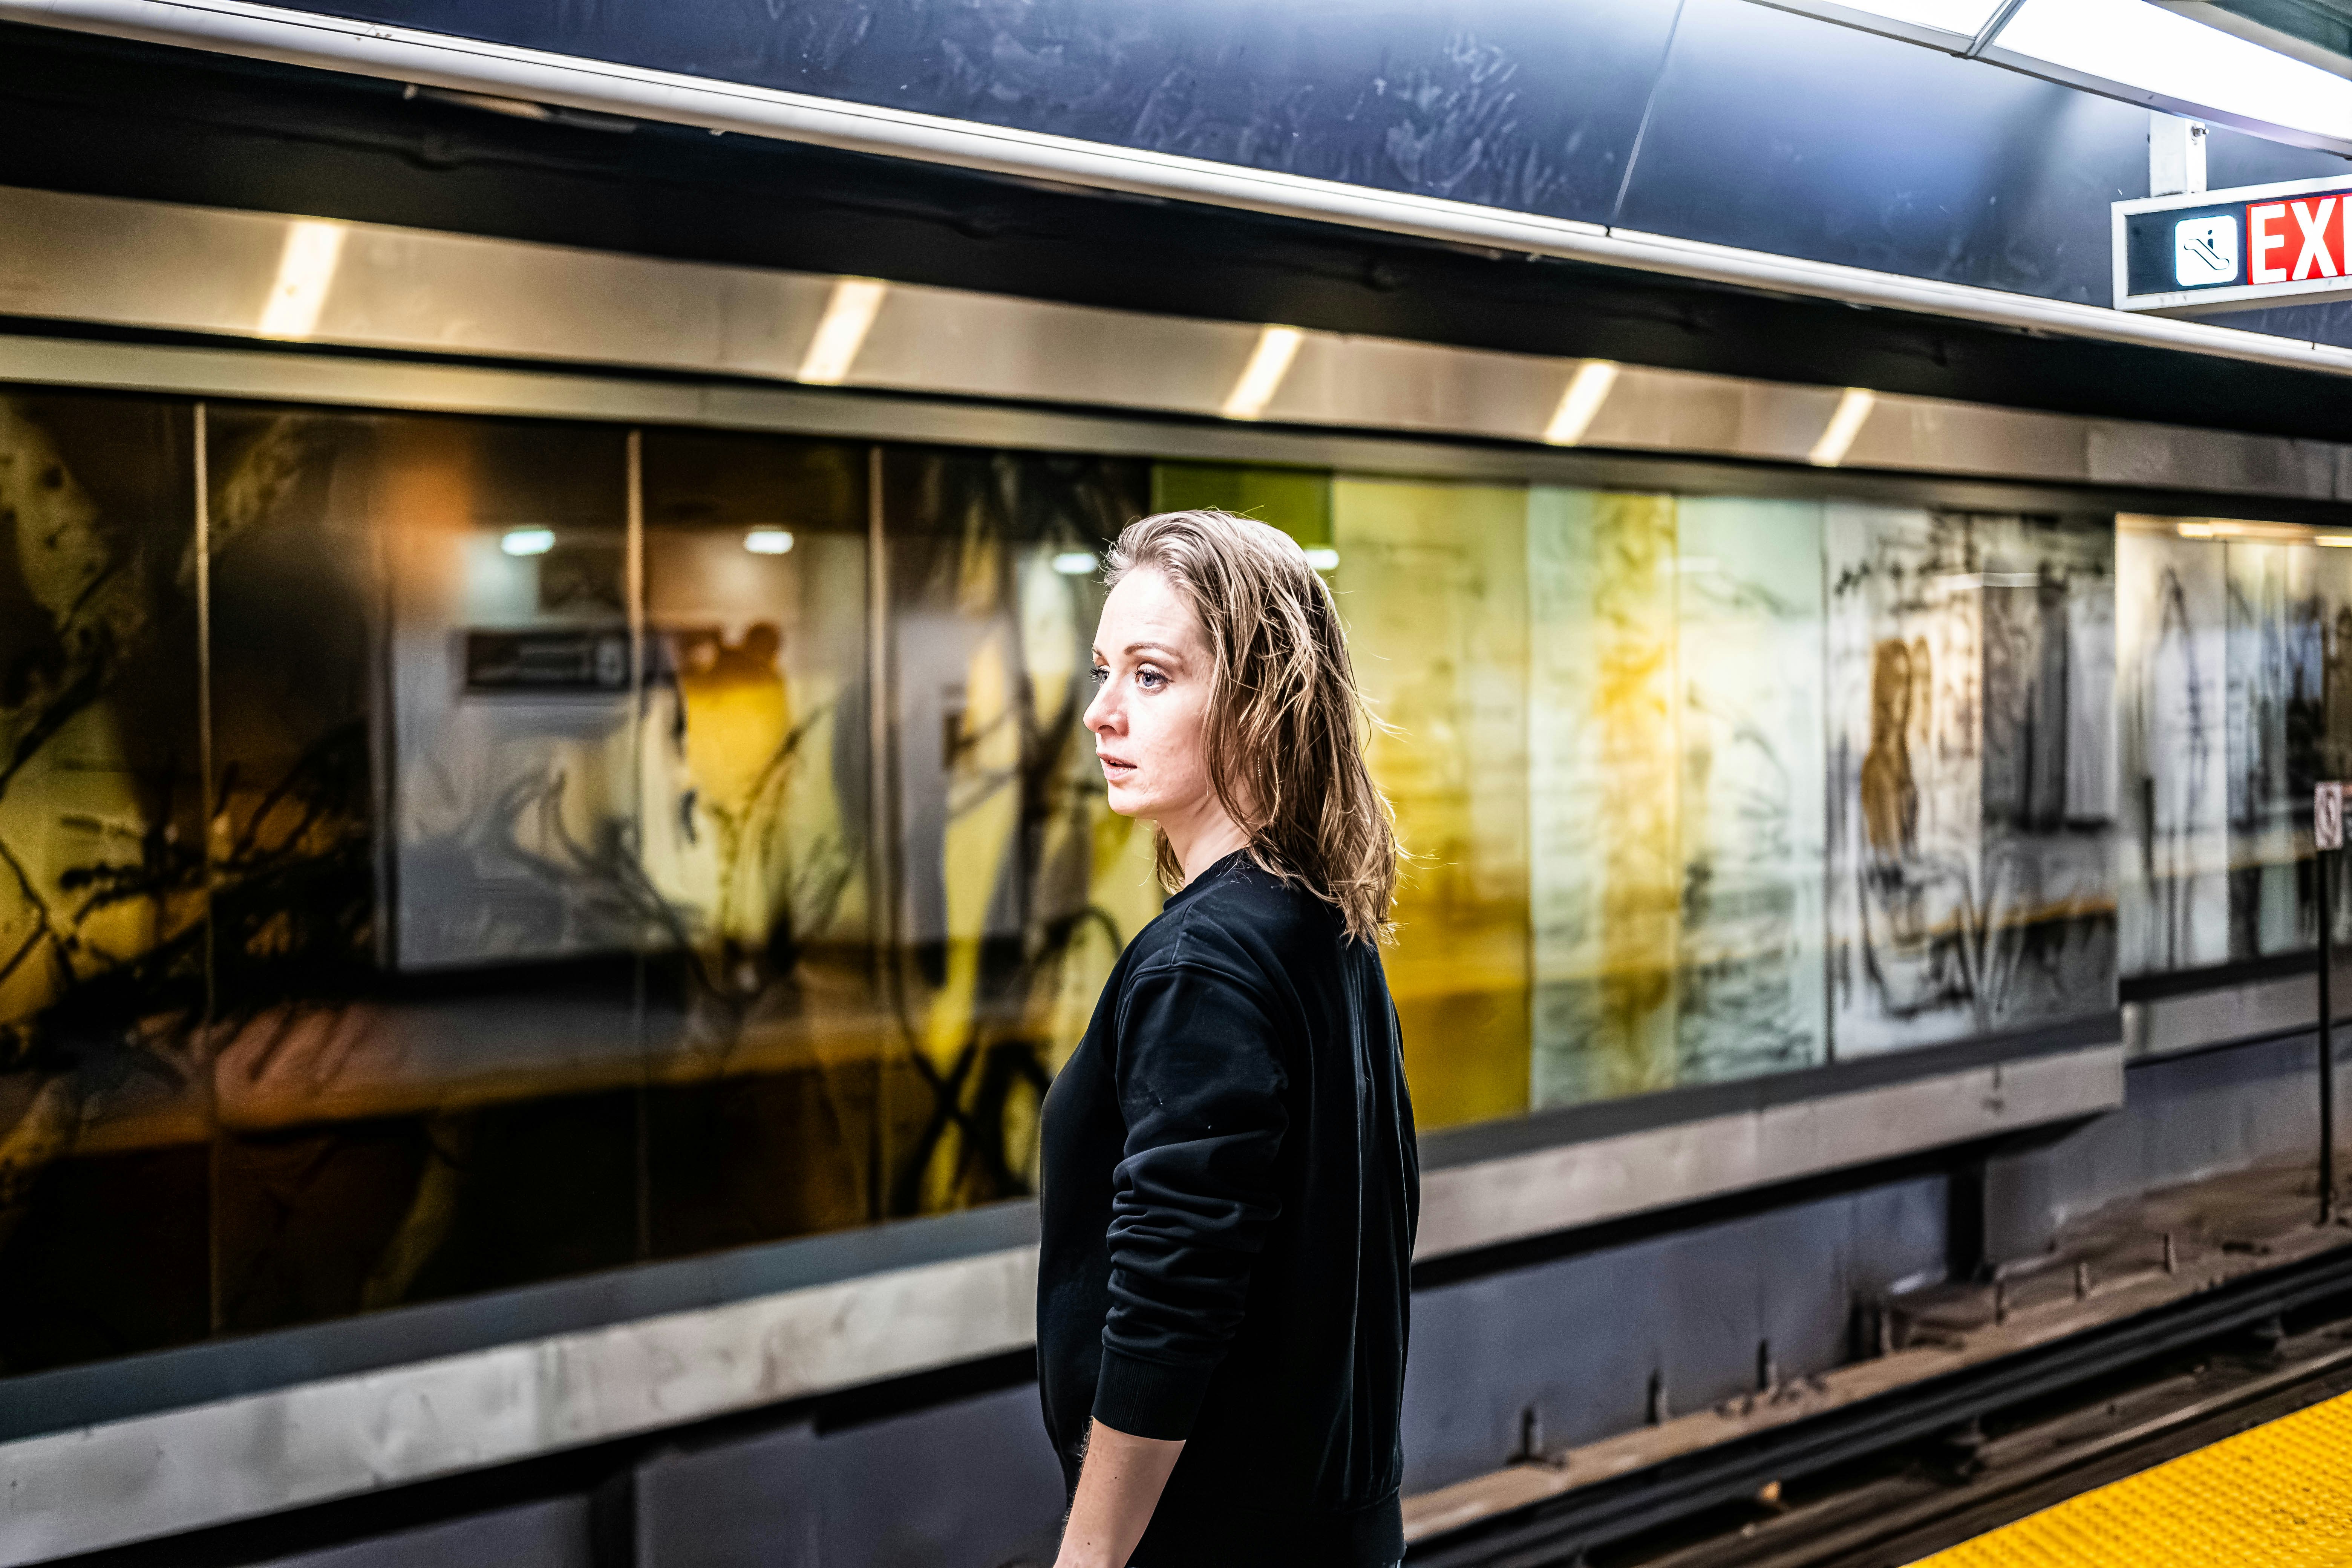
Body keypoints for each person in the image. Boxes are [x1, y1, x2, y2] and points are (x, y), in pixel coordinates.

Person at [1037, 508, 1418, 1568]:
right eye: (1104, 670)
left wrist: (1094, 1554)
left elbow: (1173, 1296)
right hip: (1337, 1526)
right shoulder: (1323, 926)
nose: (1101, 713)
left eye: (1151, 677)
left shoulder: (1203, 965)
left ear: (1258, 703)